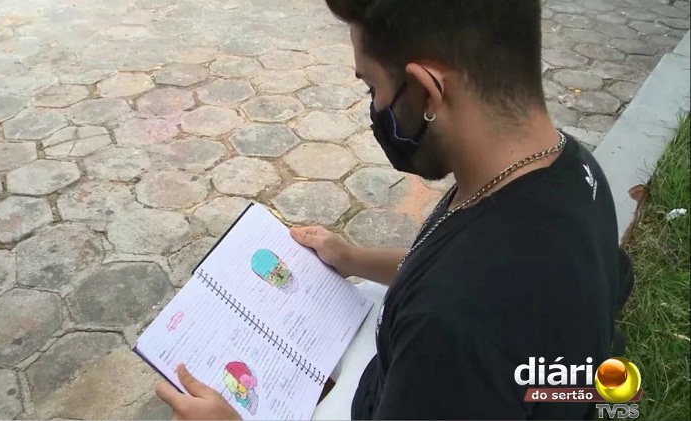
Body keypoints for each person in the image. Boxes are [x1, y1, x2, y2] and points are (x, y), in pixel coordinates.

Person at [155, 0, 630, 419]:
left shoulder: (450, 329)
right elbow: (446, 265)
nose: (376, 105)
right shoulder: (567, 164)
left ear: (426, 91)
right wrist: (352, 258)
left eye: (372, 87)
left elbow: (455, 301)